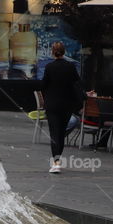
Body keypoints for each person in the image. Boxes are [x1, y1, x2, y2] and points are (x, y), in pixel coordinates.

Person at [34, 41, 83, 173]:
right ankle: (58, 160)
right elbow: (77, 84)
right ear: (64, 52)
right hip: (67, 105)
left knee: (54, 133)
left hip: (52, 104)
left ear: (52, 51)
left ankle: (56, 162)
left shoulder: (49, 67)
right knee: (61, 133)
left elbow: (43, 85)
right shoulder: (71, 67)